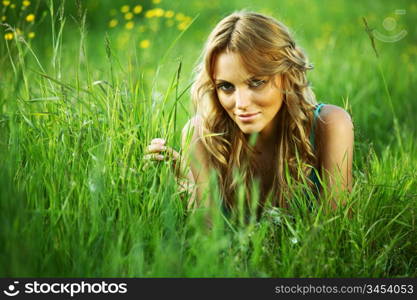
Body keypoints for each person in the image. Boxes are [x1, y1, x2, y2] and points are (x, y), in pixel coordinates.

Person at [144, 11, 354, 217]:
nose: (241, 104)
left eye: (256, 83)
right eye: (226, 87)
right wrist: (188, 183)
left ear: (287, 76)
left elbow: (336, 233)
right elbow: (206, 239)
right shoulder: (202, 135)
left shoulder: (330, 125)